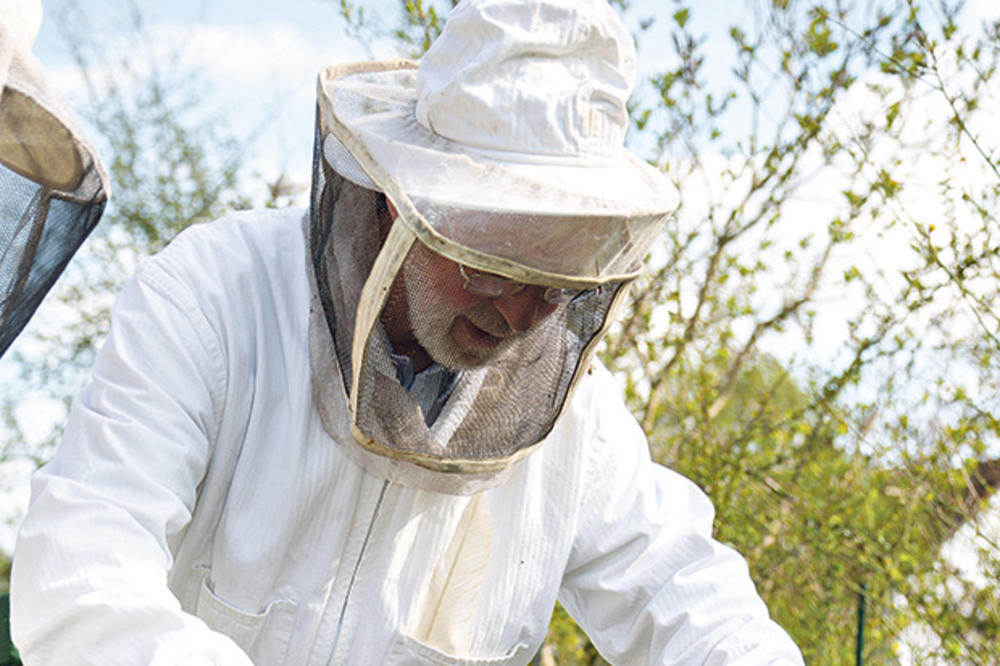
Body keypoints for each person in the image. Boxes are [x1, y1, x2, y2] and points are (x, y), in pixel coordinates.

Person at [10, 0, 806, 663]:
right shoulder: (215, 300)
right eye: (494, 263)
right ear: (402, 206)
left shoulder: (580, 429)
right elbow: (83, 574)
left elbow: (684, 595)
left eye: (559, 283)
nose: (524, 315)